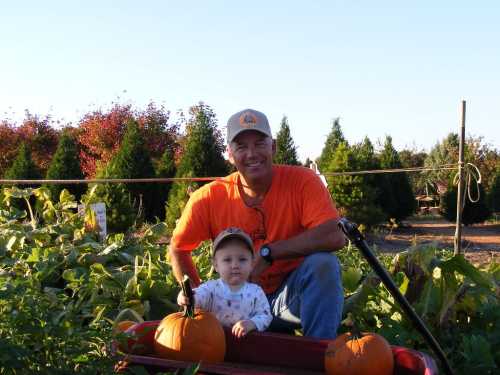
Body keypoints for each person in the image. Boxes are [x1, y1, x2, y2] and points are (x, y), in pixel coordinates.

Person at [169, 108, 346, 339]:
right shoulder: (208, 197)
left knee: (324, 264)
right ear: (229, 154)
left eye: (260, 144)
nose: (252, 153)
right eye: (241, 146)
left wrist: (269, 253)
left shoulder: (303, 182)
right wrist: (196, 298)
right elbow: (178, 248)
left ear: (273, 147)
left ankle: (319, 356)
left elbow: (334, 235)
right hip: (235, 306)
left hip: (286, 299)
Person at [177, 227, 272, 338]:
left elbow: (265, 315)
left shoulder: (256, 292)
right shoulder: (211, 288)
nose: (235, 265)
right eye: (227, 260)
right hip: (213, 343)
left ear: (252, 263)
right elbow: (198, 297)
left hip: (246, 344)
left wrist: (252, 323)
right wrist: (186, 297)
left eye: (242, 259)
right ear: (216, 265)